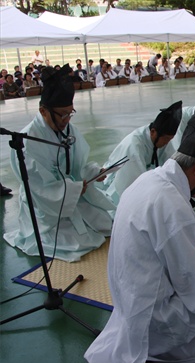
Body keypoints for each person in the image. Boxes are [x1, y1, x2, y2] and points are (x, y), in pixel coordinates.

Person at [84, 97, 195, 363]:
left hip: (129, 309)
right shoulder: (174, 206)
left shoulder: (149, 179)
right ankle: (173, 350)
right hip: (155, 323)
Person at [3, 65, 114, 262]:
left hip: (70, 195)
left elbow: (78, 166)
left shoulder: (68, 129)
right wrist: (73, 189)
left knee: (108, 224)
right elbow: (39, 188)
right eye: (63, 114)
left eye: (71, 113)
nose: (67, 119)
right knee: (78, 244)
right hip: (47, 207)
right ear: (43, 111)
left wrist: (95, 172)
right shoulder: (29, 141)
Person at [100, 101, 182, 206]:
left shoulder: (162, 141)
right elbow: (131, 182)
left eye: (170, 139)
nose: (167, 142)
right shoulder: (134, 145)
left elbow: (170, 166)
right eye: (166, 139)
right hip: (118, 185)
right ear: (153, 132)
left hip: (148, 182)